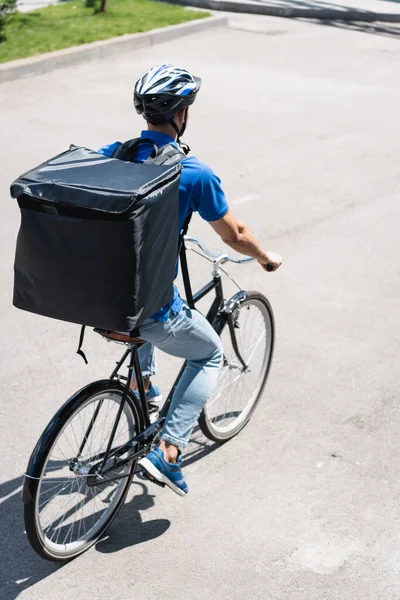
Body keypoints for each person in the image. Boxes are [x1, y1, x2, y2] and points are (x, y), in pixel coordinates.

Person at [98, 64, 283, 497]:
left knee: (138, 297)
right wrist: (264, 257)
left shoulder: (113, 152)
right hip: (147, 301)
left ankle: (143, 385)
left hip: (95, 293)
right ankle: (170, 450)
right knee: (208, 353)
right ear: (182, 113)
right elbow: (235, 235)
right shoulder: (193, 173)